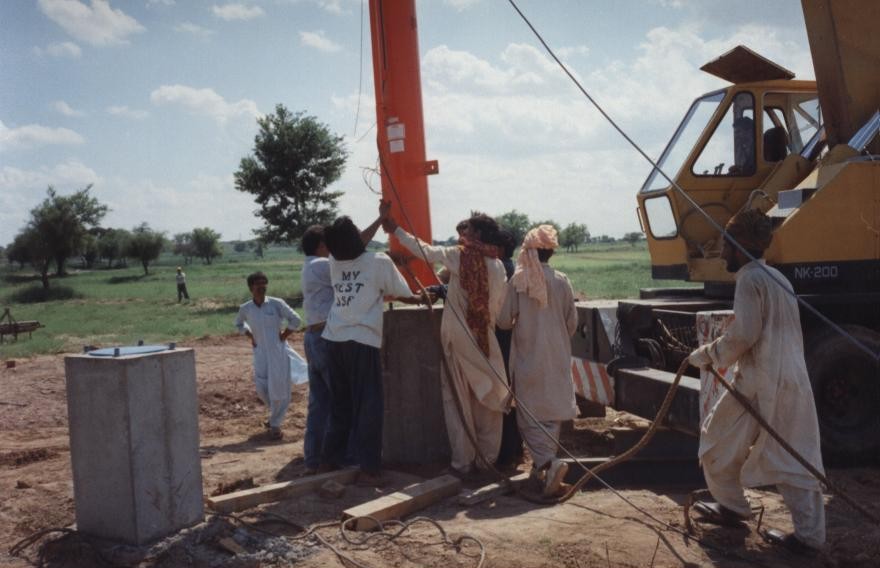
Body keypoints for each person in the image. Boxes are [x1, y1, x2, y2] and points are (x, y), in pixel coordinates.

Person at [688, 208, 825, 554]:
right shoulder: (778, 278)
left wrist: (707, 354)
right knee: (718, 437)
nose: (721, 253)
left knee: (789, 460)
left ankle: (809, 539)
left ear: (739, 246)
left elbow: (744, 335)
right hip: (765, 381)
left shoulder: (750, 280)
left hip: (772, 383)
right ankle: (732, 506)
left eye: (726, 245)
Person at [384, 211, 510, 477]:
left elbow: (426, 251)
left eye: (468, 231)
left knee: (457, 400)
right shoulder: (498, 265)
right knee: (489, 400)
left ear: (477, 234)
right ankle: (487, 462)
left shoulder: (459, 256)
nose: (463, 236)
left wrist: (396, 230)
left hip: (458, 339)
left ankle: (463, 463)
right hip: (485, 339)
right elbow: (498, 307)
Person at [319, 216, 421, 486]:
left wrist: (378, 219)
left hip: (333, 338)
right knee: (369, 406)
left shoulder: (334, 261)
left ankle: (329, 460)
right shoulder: (379, 261)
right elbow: (402, 292)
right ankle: (369, 469)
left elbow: (354, 243)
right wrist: (419, 298)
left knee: (340, 404)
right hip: (361, 341)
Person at [299, 207, 389, 475]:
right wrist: (380, 220)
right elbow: (353, 249)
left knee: (321, 402)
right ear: (323, 246)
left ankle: (315, 459)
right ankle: (347, 458)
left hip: (313, 336)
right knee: (345, 401)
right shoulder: (321, 265)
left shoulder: (310, 266)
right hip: (328, 336)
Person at [497, 225, 578, 496]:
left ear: (529, 251)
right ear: (551, 252)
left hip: (528, 359)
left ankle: (548, 463)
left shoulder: (519, 281)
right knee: (552, 414)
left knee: (528, 417)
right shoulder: (562, 280)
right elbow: (572, 323)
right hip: (557, 357)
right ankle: (546, 471)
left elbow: (503, 321)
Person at [235, 271, 302, 441]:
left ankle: (275, 425)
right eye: (258, 284)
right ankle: (274, 414)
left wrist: (284, 335)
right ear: (251, 287)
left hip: (278, 352)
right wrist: (250, 336)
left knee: (279, 390)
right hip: (260, 352)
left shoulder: (276, 304)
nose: (262, 286)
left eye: (264, 283)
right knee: (261, 388)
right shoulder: (246, 308)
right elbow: (239, 323)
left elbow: (296, 319)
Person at [494, 229, 525, 469]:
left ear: (500, 248)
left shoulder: (501, 270)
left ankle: (506, 454)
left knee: (503, 397)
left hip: (501, 338)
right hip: (512, 340)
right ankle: (515, 450)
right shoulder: (513, 268)